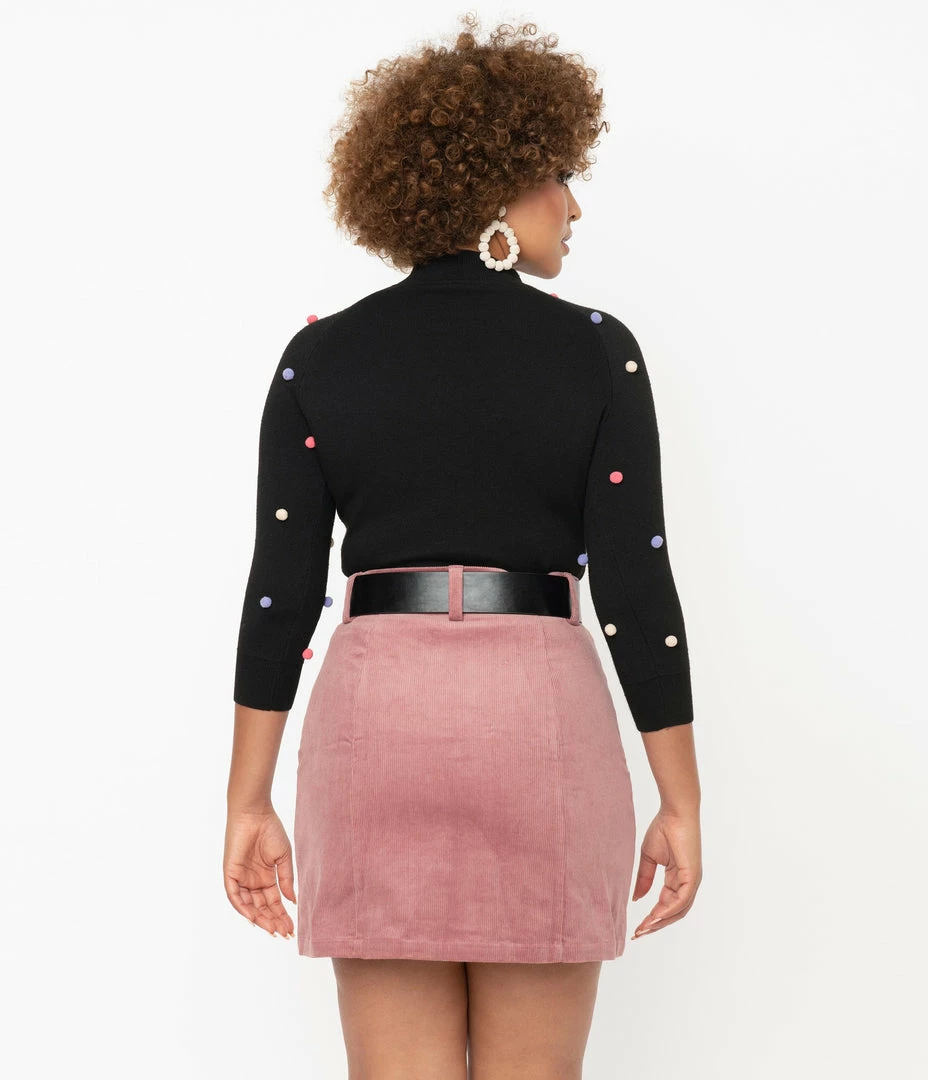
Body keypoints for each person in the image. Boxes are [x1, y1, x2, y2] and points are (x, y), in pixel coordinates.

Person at [223, 15, 702, 1079]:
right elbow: (635, 585)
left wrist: (246, 800)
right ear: (499, 184)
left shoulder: (318, 359)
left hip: (376, 725)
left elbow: (280, 592)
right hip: (541, 726)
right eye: (559, 177)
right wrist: (682, 799)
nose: (573, 206)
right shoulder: (596, 352)